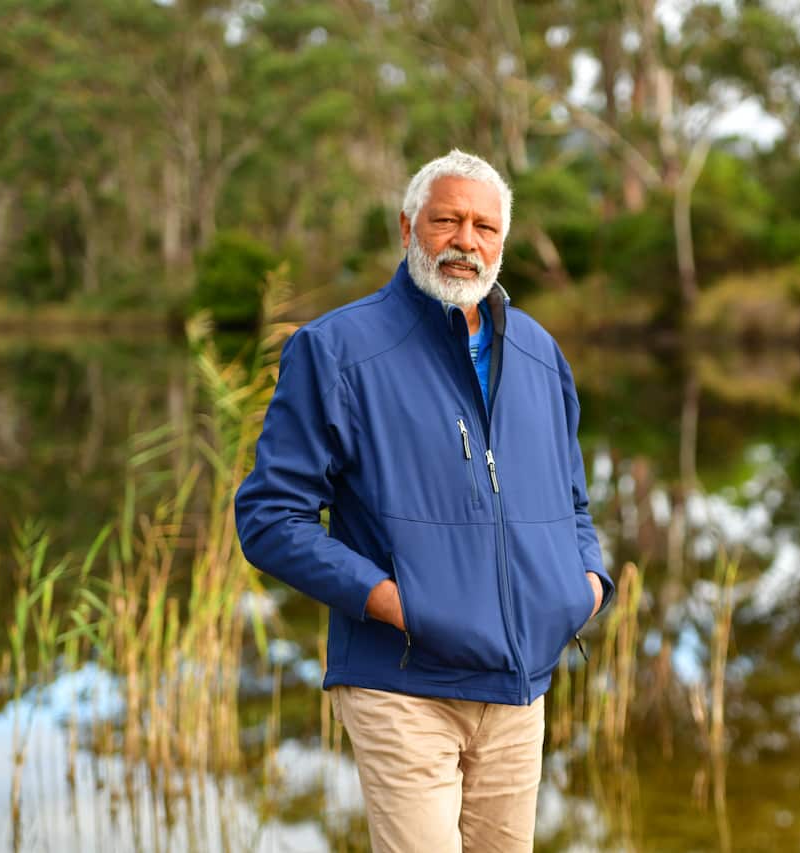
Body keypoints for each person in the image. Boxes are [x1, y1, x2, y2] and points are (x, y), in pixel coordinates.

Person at [234, 150, 614, 852]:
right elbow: (269, 517)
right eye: (447, 220)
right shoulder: (335, 350)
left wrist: (583, 586)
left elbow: (573, 501)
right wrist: (393, 602)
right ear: (409, 226)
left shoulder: (539, 354)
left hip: (519, 688)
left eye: (485, 227)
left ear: (502, 241)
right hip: (402, 683)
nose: (466, 241)